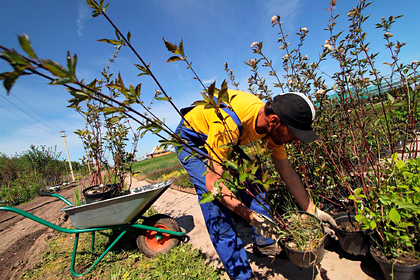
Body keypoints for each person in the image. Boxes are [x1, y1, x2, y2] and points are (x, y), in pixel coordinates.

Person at [175, 90, 336, 280]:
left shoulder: (270, 125)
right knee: (214, 204)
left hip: (222, 137)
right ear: (275, 121)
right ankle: (241, 275)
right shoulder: (228, 121)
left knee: (255, 181)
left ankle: (265, 243)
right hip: (192, 139)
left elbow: (287, 172)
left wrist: (312, 210)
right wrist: (252, 217)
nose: (294, 140)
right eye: (293, 134)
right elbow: (214, 184)